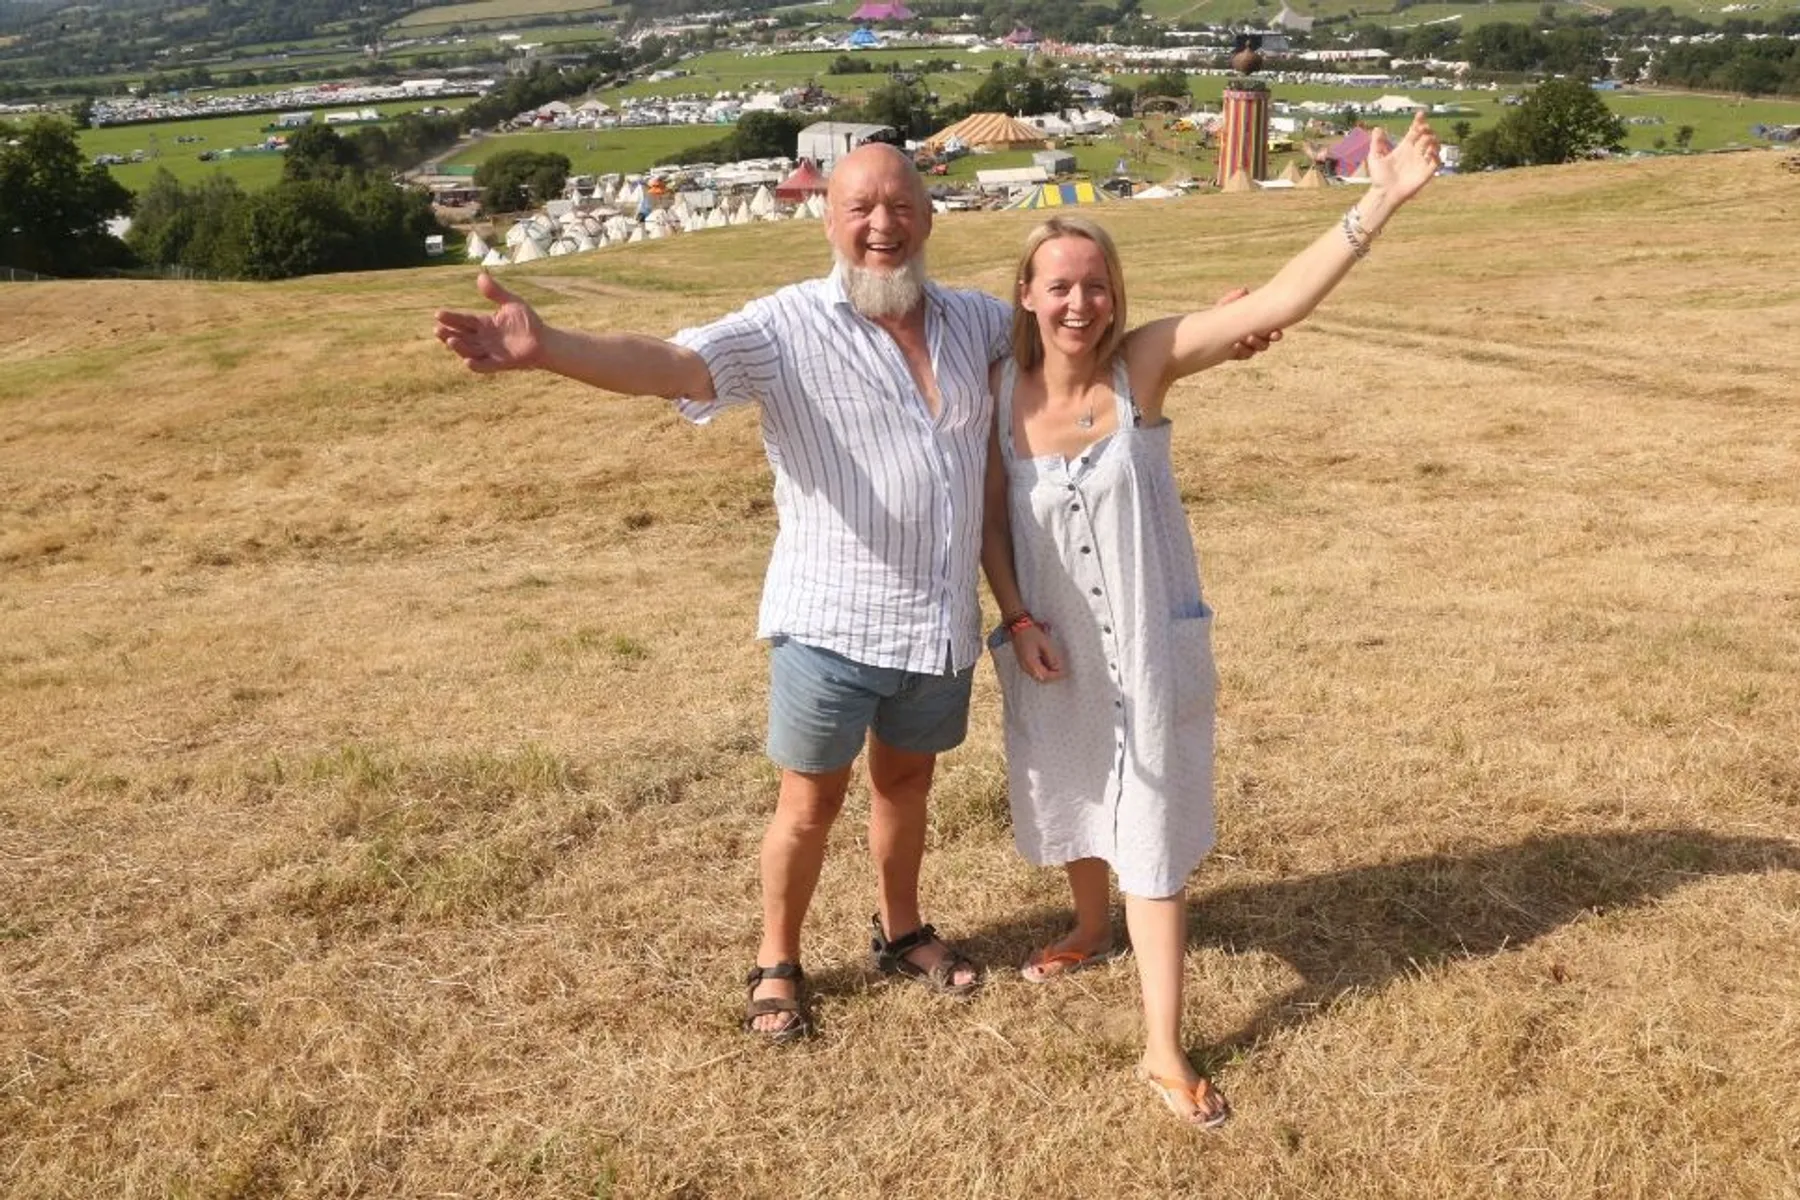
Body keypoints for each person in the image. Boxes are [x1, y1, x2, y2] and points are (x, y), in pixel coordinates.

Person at [435, 143, 1278, 1044]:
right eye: (861, 208)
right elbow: (674, 363)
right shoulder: (784, 327)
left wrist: (1221, 329)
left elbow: (1079, 341)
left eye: (901, 206)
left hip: (938, 627)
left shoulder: (976, 322)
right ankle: (777, 960)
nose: (883, 226)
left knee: (906, 787)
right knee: (809, 803)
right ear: (829, 218)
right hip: (829, 622)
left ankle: (902, 928)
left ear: (928, 216)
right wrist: (551, 347)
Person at [980, 113, 1443, 1124]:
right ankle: (1088, 925)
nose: (1079, 302)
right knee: (1075, 788)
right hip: (1052, 649)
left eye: (1096, 285)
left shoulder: (1140, 364)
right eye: (1059, 284)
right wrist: (1016, 619)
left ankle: (1160, 1048)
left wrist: (1381, 200)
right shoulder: (995, 397)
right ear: (1027, 293)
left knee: (1148, 829)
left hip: (1149, 647)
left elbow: (1280, 300)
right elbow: (987, 525)